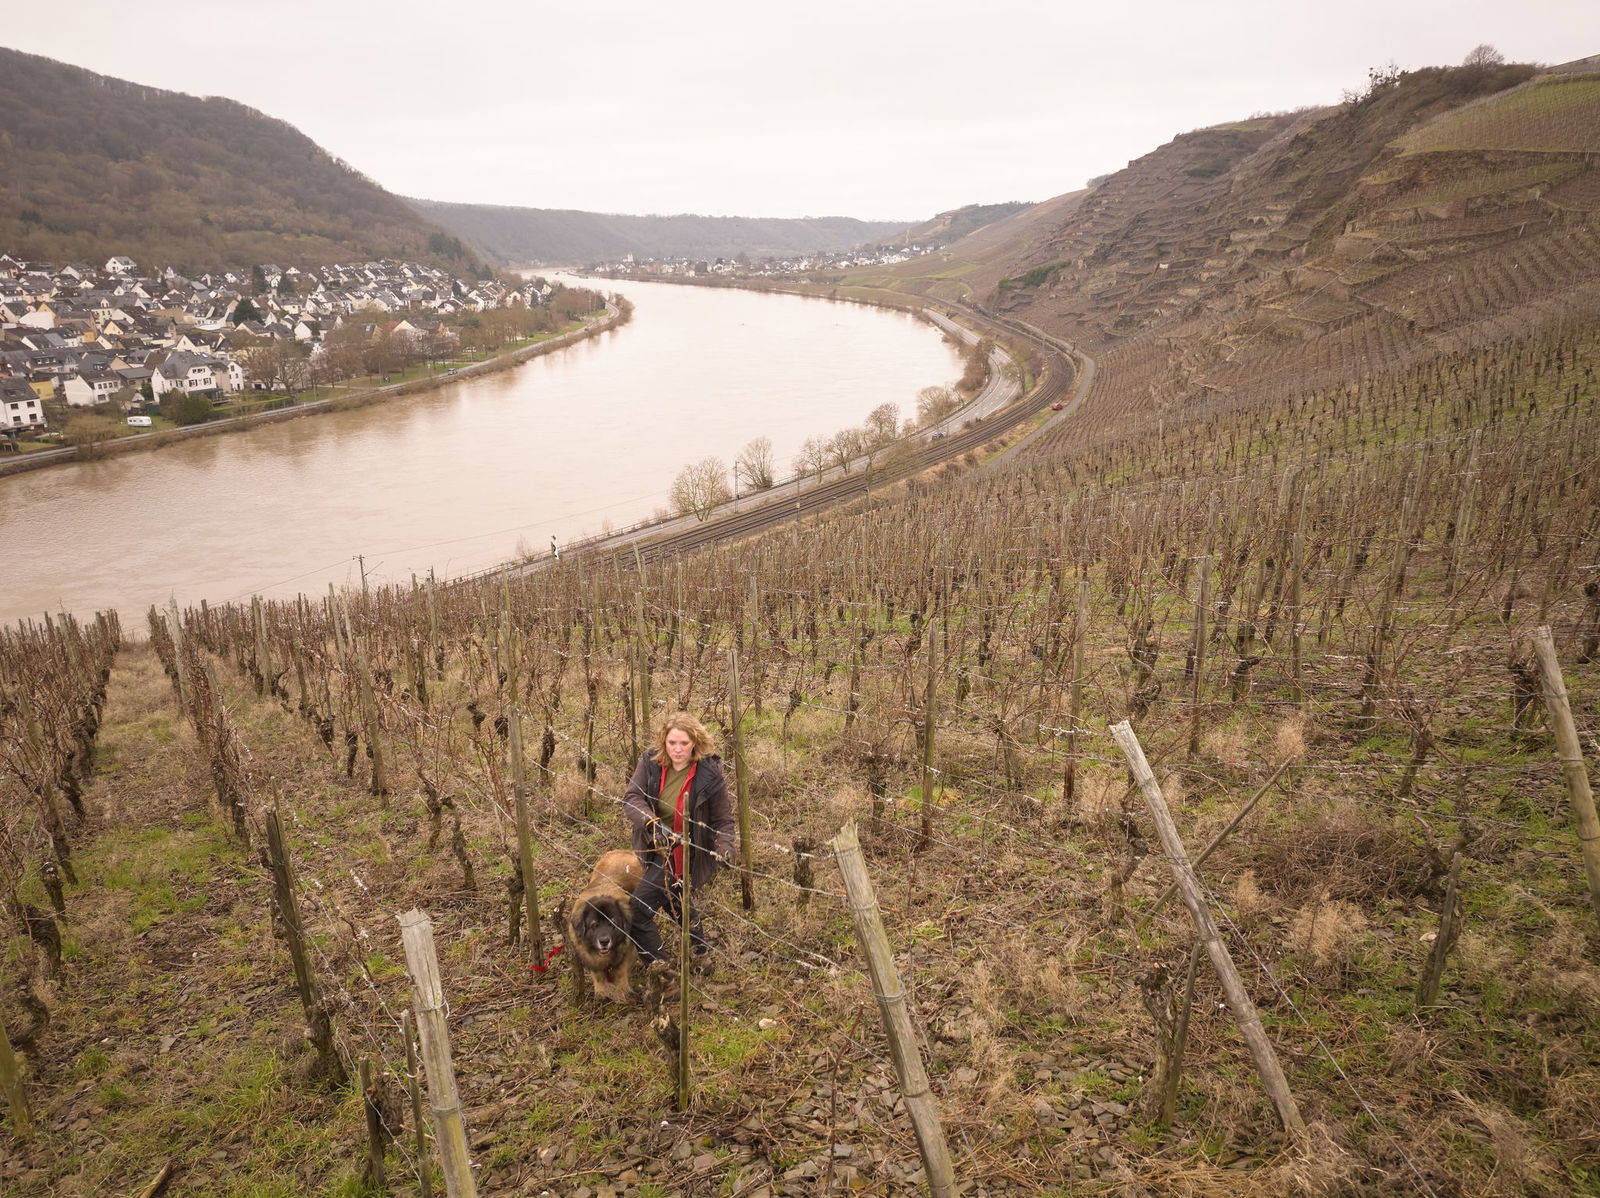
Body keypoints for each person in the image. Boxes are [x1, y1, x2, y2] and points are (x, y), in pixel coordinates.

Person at [622, 711, 734, 967]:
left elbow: (723, 820)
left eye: (684, 743)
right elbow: (632, 798)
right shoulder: (651, 763)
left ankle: (662, 971)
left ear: (695, 742)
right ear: (664, 742)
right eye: (672, 743)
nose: (678, 749)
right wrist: (652, 823)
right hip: (655, 846)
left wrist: (725, 848)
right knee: (677, 897)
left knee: (636, 912)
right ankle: (700, 954)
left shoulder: (709, 774)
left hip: (686, 852)